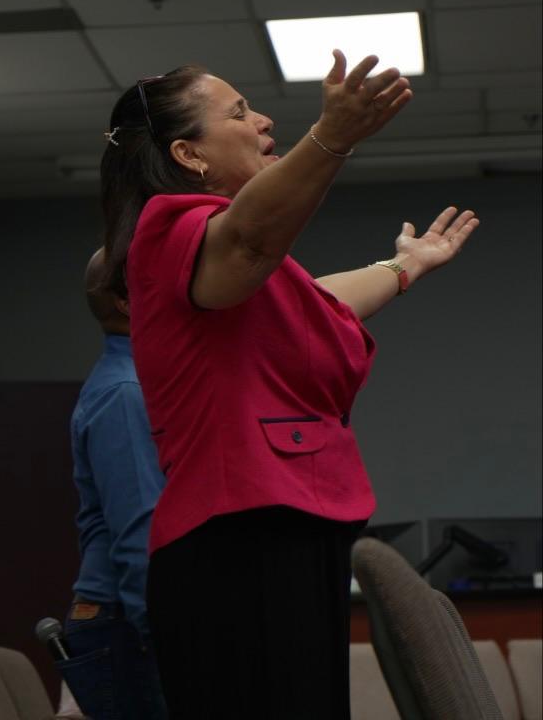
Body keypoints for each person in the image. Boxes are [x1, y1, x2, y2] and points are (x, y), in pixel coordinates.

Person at [99, 50, 479, 720]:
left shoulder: (224, 267)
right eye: (240, 113)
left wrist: (405, 266)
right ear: (188, 154)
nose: (264, 120)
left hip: (273, 532)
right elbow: (251, 242)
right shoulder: (170, 229)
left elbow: (317, 301)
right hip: (237, 541)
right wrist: (332, 137)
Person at [59, 250, 168, 720]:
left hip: (124, 618)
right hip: (123, 621)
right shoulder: (126, 393)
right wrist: (173, 640)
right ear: (127, 301)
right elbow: (141, 533)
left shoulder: (137, 383)